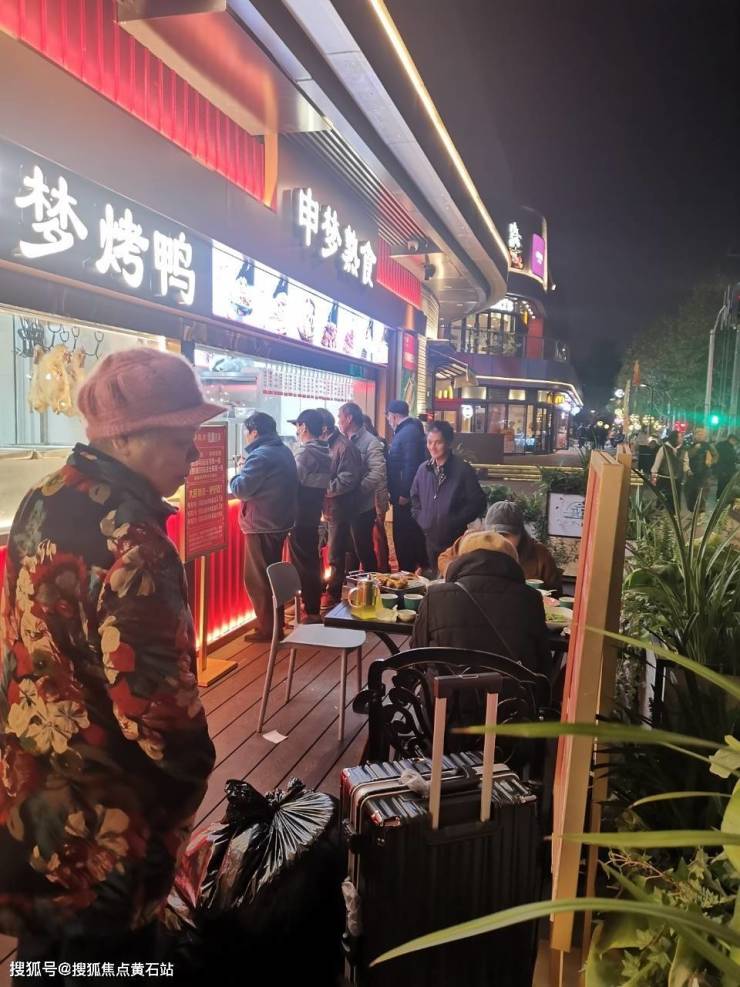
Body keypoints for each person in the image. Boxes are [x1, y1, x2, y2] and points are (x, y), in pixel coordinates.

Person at [0, 348, 218, 980]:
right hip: (108, 833)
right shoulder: (136, 542)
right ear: (123, 436)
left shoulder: (42, 497)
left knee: (46, 958)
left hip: (30, 797)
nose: (194, 454)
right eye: (179, 437)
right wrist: (190, 783)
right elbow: (160, 717)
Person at [410, 530, 551, 678]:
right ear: (512, 560)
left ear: (462, 559)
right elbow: (543, 664)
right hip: (512, 692)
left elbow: (418, 656)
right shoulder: (530, 599)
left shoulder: (435, 596)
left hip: (445, 691)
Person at [230, 412, 299, 641]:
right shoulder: (283, 450)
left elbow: (241, 489)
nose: (246, 437)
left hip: (261, 524)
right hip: (278, 522)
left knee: (259, 580)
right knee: (272, 577)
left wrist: (237, 472)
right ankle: (276, 624)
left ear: (255, 432)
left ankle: (268, 629)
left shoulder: (260, 456)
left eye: (246, 432)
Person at [410, 420, 487, 576]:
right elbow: (415, 498)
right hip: (430, 537)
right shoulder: (423, 469)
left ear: (448, 443)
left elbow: (477, 502)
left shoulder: (463, 470)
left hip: (454, 538)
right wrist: (423, 519)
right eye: (430, 442)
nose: (433, 447)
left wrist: (454, 521)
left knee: (452, 577)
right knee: (433, 577)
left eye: (438, 442)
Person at [439, 500, 562, 592]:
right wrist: (456, 572)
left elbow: (555, 590)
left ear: (521, 534)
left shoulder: (539, 554)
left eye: (506, 535)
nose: (500, 540)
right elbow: (443, 558)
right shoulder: (471, 542)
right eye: (496, 533)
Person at [287, 409, 332, 621]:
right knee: (311, 560)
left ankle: (310, 609)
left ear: (304, 426)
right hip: (313, 512)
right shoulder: (325, 451)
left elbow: (292, 481)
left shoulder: (305, 453)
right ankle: (311, 605)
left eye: (298, 426)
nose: (297, 431)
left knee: (304, 563)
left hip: (300, 513)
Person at [317, 408, 362, 608]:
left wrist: (321, 488)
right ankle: (318, 588)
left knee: (336, 553)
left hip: (338, 508)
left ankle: (333, 592)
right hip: (321, 507)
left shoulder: (344, 447)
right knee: (318, 549)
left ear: (323, 428)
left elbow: (347, 480)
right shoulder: (320, 445)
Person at [338, 402, 387, 574]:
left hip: (362, 507)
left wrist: (358, 491)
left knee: (363, 549)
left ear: (349, 418)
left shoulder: (370, 441)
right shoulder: (341, 440)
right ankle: (351, 583)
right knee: (347, 550)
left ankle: (372, 583)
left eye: (340, 417)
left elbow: (378, 472)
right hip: (343, 506)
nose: (338, 421)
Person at [386, 399, 428, 573]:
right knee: (408, 533)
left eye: (388, 416)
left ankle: (408, 572)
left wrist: (404, 493)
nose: (388, 420)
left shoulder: (407, 433)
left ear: (395, 416)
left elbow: (411, 465)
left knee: (404, 535)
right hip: (405, 494)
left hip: (405, 496)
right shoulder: (408, 431)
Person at [361, 414, 391, 571]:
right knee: (377, 533)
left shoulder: (375, 443)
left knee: (376, 534)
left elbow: (379, 473)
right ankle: (382, 566)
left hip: (375, 496)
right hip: (379, 494)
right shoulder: (381, 441)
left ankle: (381, 567)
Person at [682, 427, 717, 513]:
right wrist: (695, 449)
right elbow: (686, 456)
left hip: (704, 474)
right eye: (698, 434)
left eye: (702, 434)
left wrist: (710, 462)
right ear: (694, 435)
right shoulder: (689, 445)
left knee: (702, 493)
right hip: (691, 473)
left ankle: (700, 511)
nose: (700, 436)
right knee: (690, 493)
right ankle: (692, 510)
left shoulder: (708, 446)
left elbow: (716, 456)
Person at [651, 429, 683, 517]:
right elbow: (657, 463)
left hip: (676, 479)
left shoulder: (680, 450)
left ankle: (674, 517)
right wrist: (654, 477)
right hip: (665, 479)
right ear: (674, 438)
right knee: (663, 499)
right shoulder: (663, 449)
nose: (681, 439)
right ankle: (660, 517)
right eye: (680, 437)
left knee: (675, 500)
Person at [715, 434, 738, 500]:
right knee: (724, 484)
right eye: (735, 441)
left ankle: (719, 497)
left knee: (721, 483)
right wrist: (737, 459)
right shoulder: (727, 447)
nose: (735, 443)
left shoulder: (721, 445)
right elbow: (730, 458)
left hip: (721, 468)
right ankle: (720, 498)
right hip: (726, 469)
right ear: (731, 439)